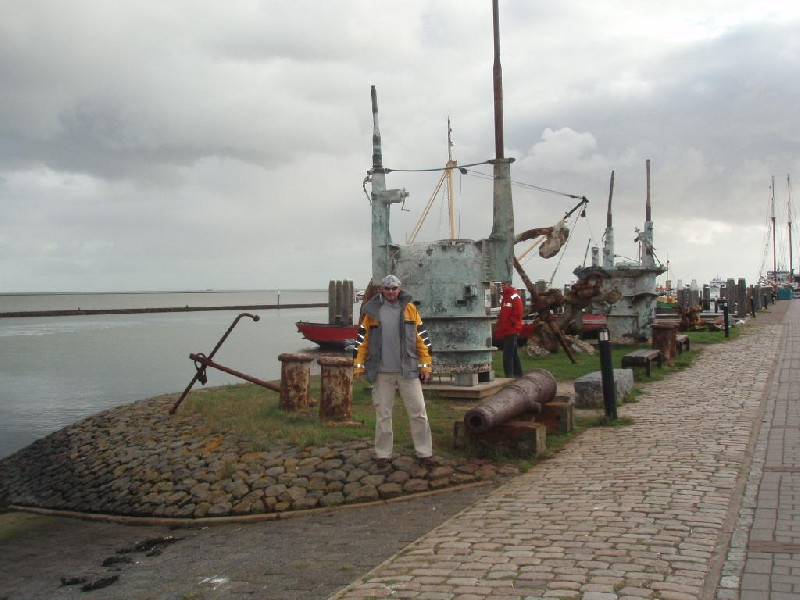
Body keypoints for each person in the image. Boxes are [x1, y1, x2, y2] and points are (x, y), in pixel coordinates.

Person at [352, 275, 435, 467]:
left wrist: (425, 365)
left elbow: (422, 339)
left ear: (399, 289)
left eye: (394, 288)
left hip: (408, 370)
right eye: (387, 288)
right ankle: (383, 454)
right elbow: (362, 341)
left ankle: (425, 453)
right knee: (383, 414)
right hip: (381, 372)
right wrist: (358, 366)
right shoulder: (371, 312)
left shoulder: (410, 309)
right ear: (381, 290)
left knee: (418, 412)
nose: (391, 292)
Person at [495, 280, 524, 378]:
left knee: (507, 355)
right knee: (513, 354)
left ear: (508, 284)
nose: (502, 286)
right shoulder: (506, 297)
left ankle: (509, 375)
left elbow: (517, 312)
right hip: (509, 329)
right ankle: (518, 374)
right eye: (501, 284)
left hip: (511, 329)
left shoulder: (513, 297)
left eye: (504, 284)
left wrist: (511, 323)